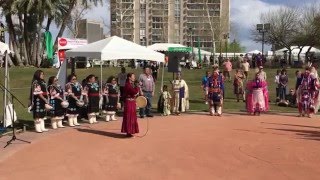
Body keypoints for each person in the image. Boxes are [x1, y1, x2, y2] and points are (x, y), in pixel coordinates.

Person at [121, 73, 140, 137]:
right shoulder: (128, 85)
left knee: (132, 116)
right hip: (129, 102)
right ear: (129, 77)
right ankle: (128, 131)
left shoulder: (131, 84)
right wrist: (137, 87)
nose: (134, 77)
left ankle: (131, 131)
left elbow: (134, 93)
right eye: (133, 76)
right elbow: (134, 92)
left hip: (132, 102)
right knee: (129, 117)